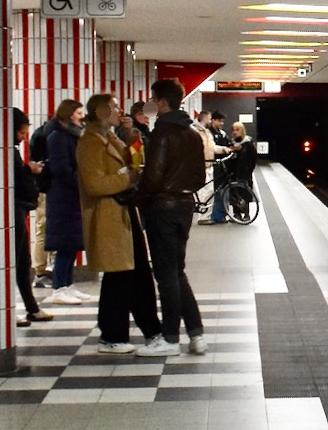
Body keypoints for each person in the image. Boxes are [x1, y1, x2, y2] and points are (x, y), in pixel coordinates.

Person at [78, 94, 170, 356]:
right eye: (114, 106)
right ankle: (112, 335)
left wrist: (132, 138)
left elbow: (136, 164)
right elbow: (94, 184)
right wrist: (127, 179)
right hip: (107, 216)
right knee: (119, 276)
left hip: (124, 213)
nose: (120, 110)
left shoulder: (112, 137)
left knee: (137, 272)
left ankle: (151, 330)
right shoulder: (90, 143)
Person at [137, 79, 208, 355]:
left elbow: (153, 176)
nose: (151, 104)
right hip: (184, 206)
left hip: (162, 209)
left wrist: (139, 198)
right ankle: (196, 335)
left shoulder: (162, 133)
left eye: (153, 100)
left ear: (162, 102)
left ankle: (169, 339)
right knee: (177, 271)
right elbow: (200, 176)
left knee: (166, 275)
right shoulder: (192, 133)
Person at [42, 98, 91, 305]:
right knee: (64, 244)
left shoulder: (71, 135)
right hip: (63, 197)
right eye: (79, 113)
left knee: (71, 244)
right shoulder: (58, 137)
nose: (82, 117)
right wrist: (81, 182)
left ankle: (68, 284)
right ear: (69, 115)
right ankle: (59, 288)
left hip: (71, 197)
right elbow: (60, 169)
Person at [11, 110, 50, 327]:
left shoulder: (11, 151)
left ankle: (31, 307)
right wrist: (30, 170)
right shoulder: (6, 152)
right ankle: (24, 308)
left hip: (18, 208)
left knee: (23, 260)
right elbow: (17, 176)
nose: (23, 137)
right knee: (18, 260)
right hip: (15, 208)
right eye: (21, 132)